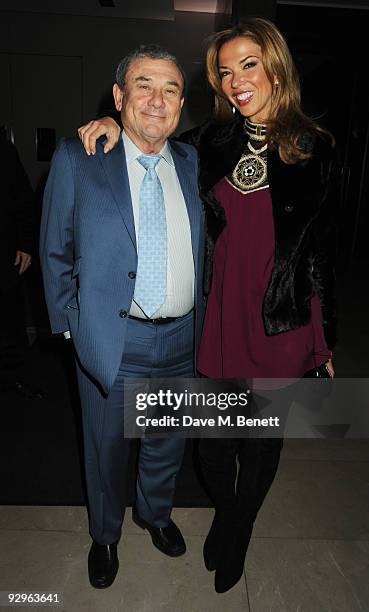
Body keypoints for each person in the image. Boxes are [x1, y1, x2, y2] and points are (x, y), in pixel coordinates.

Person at [77, 17, 337, 594]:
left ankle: (237, 528)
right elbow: (152, 139)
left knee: (261, 441)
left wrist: (323, 342)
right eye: (225, 71)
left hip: (279, 323)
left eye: (249, 64)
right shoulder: (210, 144)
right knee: (215, 452)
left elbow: (320, 254)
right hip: (217, 322)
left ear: (276, 67)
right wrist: (111, 125)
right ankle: (229, 508)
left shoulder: (315, 149)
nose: (237, 81)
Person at [40, 44, 205, 589]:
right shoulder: (78, 157)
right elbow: (55, 252)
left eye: (171, 89)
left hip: (182, 335)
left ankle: (154, 515)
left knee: (166, 440)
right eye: (143, 86)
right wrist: (72, 327)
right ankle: (106, 534)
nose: (157, 101)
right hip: (115, 337)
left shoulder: (194, 161)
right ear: (118, 96)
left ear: (182, 103)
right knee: (106, 448)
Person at [0, 136, 44, 400]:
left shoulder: (3, 148)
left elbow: (22, 198)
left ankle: (12, 377)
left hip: (5, 253)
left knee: (10, 320)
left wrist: (26, 244)